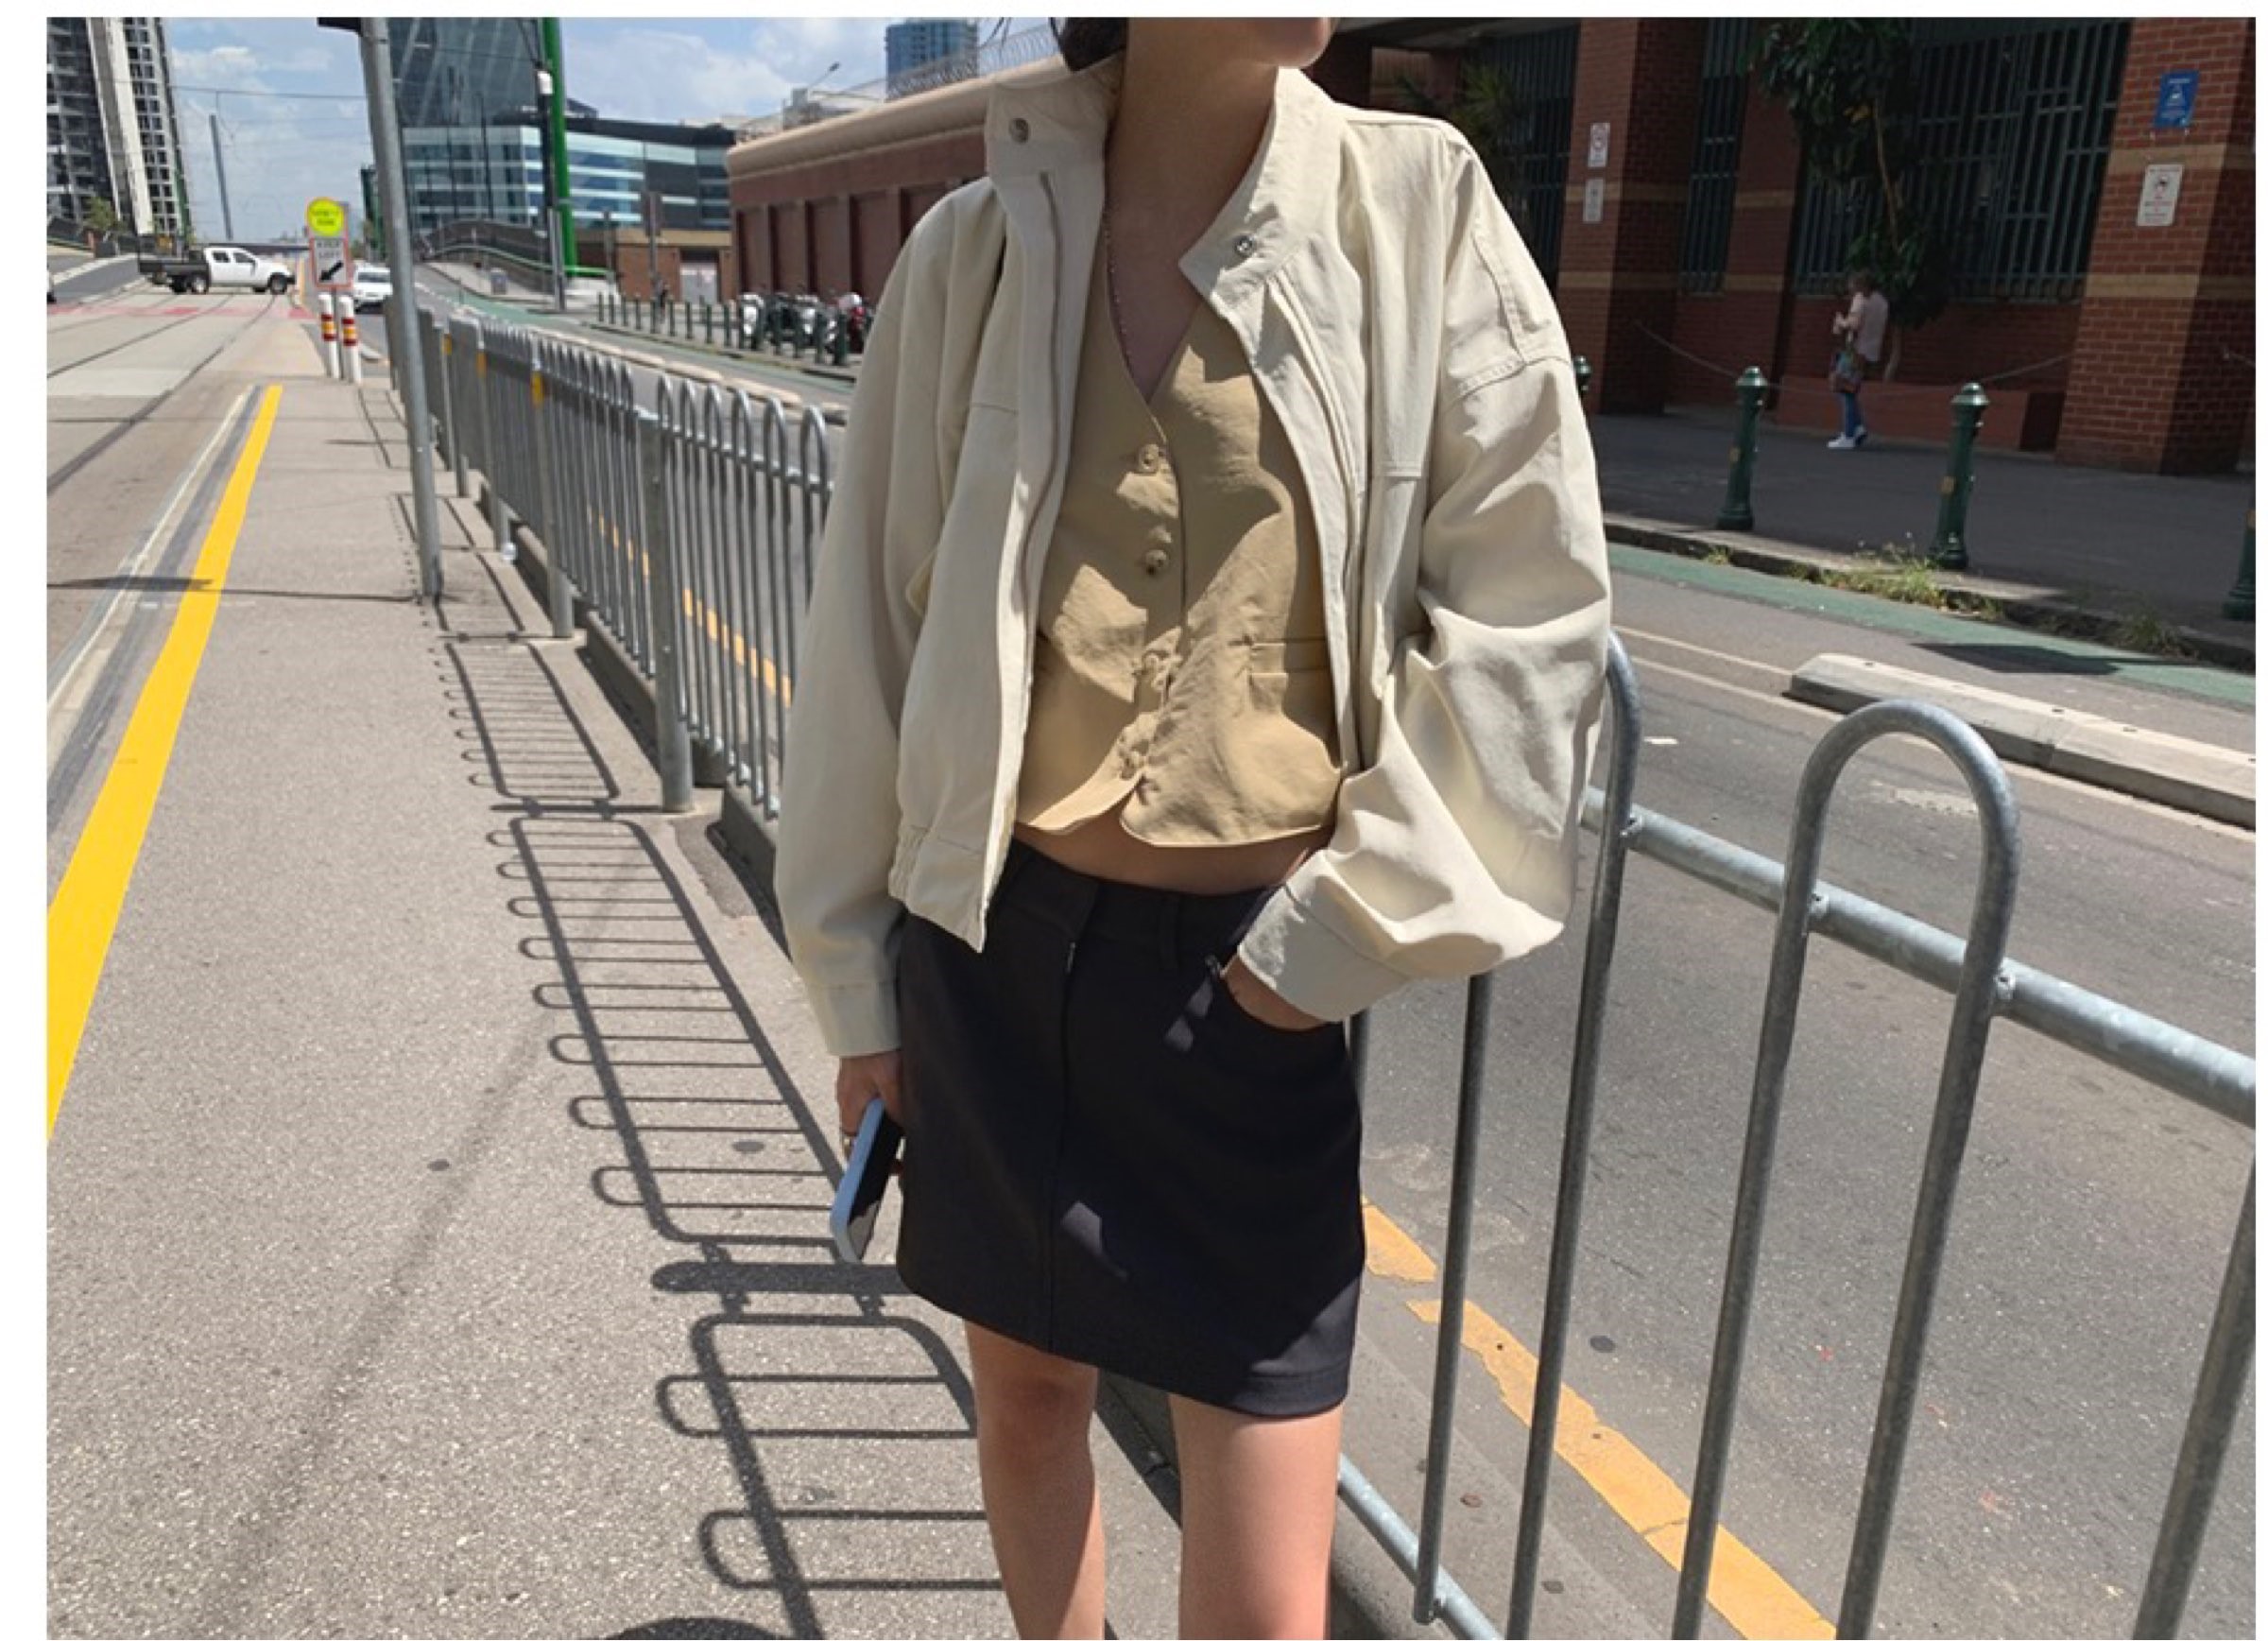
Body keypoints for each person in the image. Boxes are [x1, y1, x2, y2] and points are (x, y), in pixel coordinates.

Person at [774, 18, 1610, 1638]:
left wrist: (1319, 956)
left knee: (1268, 1597)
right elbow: (872, 632)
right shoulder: (977, 248)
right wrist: (861, 991)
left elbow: (1533, 616)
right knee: (1027, 1406)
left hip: (1249, 988)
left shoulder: (1416, 209)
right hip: (994, 946)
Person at [1830, 268, 1891, 449]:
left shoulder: (1860, 299)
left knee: (1844, 389)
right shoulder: (1881, 302)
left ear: (1859, 285)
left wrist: (1841, 322)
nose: (1849, 287)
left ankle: (1849, 434)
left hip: (1854, 350)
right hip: (1870, 352)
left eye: (1851, 284)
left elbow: (1854, 325)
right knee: (1851, 389)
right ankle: (1857, 428)